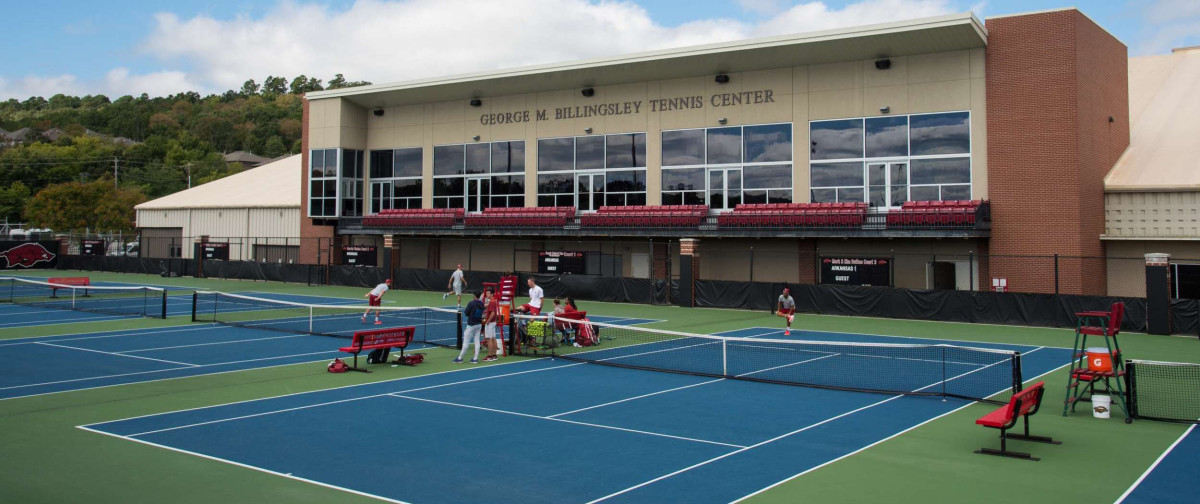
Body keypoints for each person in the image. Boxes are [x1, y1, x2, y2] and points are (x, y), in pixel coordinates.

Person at [454, 290, 486, 364]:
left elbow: (466, 313)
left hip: (471, 325)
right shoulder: (482, 304)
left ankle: (460, 358)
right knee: (477, 341)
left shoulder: (471, 303)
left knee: (466, 342)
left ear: (474, 296)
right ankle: (475, 358)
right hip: (479, 325)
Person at [482, 289, 502, 362]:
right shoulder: (495, 301)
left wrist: (487, 321)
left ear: (492, 294)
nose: (487, 294)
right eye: (486, 293)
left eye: (488, 293)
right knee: (493, 338)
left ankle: (490, 356)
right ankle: (494, 355)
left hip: (490, 323)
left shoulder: (492, 302)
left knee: (489, 339)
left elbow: (493, 313)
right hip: (493, 322)